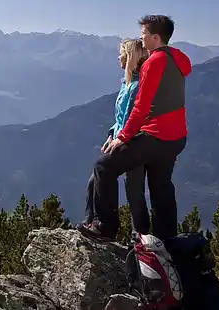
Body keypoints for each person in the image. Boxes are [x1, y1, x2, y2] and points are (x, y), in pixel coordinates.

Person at [79, 14, 192, 241]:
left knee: (104, 166)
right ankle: (165, 240)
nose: (142, 39)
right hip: (177, 137)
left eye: (144, 35)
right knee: (161, 186)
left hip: (156, 135)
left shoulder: (154, 62)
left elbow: (141, 106)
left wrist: (123, 137)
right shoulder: (177, 59)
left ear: (155, 37)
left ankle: (105, 227)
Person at [82, 38, 149, 234]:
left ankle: (138, 236)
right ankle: (91, 222)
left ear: (129, 57)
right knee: (99, 182)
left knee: (133, 190)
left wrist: (118, 139)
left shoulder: (136, 86)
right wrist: (112, 134)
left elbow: (131, 118)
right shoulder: (127, 83)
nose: (118, 57)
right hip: (122, 138)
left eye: (121, 53)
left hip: (133, 142)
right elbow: (121, 119)